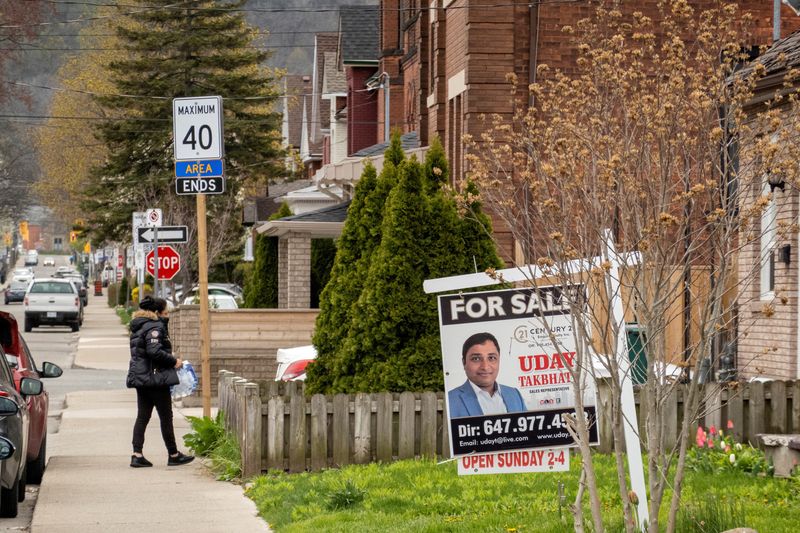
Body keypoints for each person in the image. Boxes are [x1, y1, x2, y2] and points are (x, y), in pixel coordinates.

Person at [127, 295, 194, 467]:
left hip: (141, 377)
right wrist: (174, 361)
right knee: (166, 416)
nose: (167, 315)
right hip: (155, 378)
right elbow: (154, 351)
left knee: (143, 416)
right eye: (166, 312)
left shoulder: (138, 327)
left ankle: (137, 454)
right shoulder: (154, 327)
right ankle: (173, 454)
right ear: (157, 312)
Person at [447, 332, 526, 418]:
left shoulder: (514, 394)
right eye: (476, 359)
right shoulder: (450, 401)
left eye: (491, 358)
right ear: (464, 363)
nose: (485, 367)